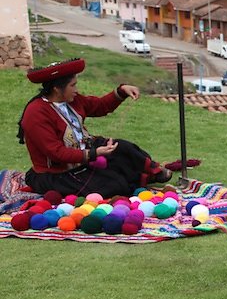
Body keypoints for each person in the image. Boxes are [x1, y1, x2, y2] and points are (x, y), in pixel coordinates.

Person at [16, 58, 173, 199]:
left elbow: (100, 106)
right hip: (55, 174)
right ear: (57, 89)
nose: (76, 90)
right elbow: (56, 153)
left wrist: (121, 91)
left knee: (123, 149)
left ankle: (154, 173)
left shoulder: (72, 100)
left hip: (84, 155)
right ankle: (141, 180)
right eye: (73, 85)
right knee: (113, 184)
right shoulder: (36, 113)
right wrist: (93, 154)